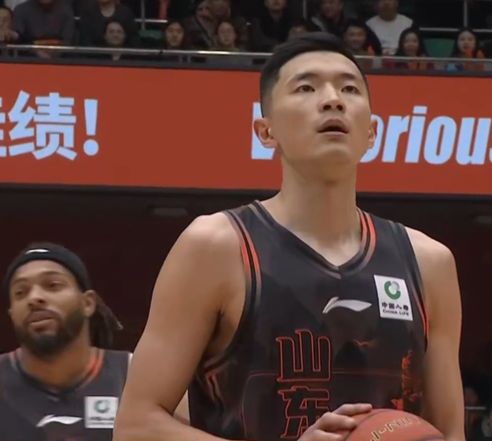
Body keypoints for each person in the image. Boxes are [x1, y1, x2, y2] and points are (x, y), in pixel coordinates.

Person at [114, 32, 465, 441]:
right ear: (266, 132)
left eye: (349, 89)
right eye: (306, 88)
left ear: (372, 133)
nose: (333, 100)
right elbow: (135, 426)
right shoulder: (215, 247)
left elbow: (449, 432)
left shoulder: (429, 262)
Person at [0, 243, 128, 440]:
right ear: (12, 314)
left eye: (52, 285)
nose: (34, 298)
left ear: (87, 303)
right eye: (20, 292)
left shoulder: (134, 374)